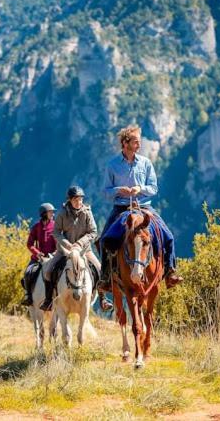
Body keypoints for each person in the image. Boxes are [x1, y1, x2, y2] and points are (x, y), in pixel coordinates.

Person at [98, 124, 183, 290]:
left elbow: (153, 188)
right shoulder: (112, 165)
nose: (139, 144)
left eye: (139, 141)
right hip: (121, 209)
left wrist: (140, 189)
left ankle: (170, 272)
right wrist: (118, 190)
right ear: (125, 142)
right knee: (104, 240)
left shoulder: (145, 163)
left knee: (168, 236)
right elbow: (105, 192)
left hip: (143, 208)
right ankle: (106, 277)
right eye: (136, 141)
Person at [39, 186, 112, 312]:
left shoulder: (87, 212)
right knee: (48, 272)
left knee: (101, 271)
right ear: (70, 200)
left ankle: (102, 299)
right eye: (76, 200)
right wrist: (67, 244)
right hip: (64, 251)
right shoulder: (62, 213)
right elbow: (56, 232)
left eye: (80, 199)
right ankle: (48, 300)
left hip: (85, 250)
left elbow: (93, 232)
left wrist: (79, 243)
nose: (79, 202)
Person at [20, 203, 57, 306]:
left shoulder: (55, 226)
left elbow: (59, 243)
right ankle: (28, 296)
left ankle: (58, 297)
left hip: (52, 258)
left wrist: (54, 253)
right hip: (38, 258)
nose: (53, 214)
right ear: (44, 214)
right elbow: (29, 244)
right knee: (28, 272)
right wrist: (37, 253)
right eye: (50, 212)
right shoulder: (36, 227)